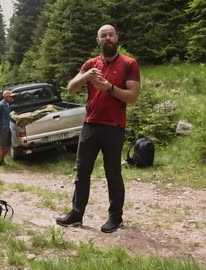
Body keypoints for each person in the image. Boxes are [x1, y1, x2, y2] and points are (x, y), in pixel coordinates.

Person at [56, 24, 141, 233]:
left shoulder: (129, 63)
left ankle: (115, 217)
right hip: (90, 125)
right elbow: (71, 87)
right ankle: (76, 215)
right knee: (82, 171)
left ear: (117, 38)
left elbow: (133, 97)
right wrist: (86, 77)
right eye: (103, 35)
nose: (107, 38)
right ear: (98, 40)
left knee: (113, 173)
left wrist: (109, 88)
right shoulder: (91, 64)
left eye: (111, 34)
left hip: (114, 126)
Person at [0, 90, 15, 166]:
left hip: (7, 127)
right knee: (2, 146)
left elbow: (7, 115)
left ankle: (2, 160)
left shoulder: (7, 104)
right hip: (2, 128)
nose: (12, 98)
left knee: (8, 145)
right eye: (10, 96)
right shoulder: (0, 104)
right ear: (6, 97)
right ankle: (0, 161)